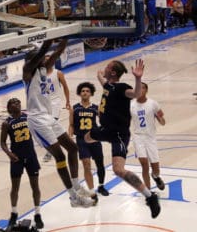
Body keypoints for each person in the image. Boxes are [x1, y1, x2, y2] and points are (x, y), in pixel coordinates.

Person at [23, 39, 95, 208]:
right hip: (37, 120)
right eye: (40, 57)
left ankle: (76, 184)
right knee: (60, 156)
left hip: (47, 116)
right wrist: (47, 39)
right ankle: (73, 197)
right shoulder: (27, 71)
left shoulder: (44, 69)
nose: (45, 59)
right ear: (34, 59)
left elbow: (56, 53)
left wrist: (63, 35)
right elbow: (43, 53)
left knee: (73, 148)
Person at [85, 59, 161, 218]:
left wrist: (138, 78)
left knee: (118, 169)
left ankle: (150, 197)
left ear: (112, 72)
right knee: (86, 138)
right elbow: (102, 79)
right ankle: (90, 156)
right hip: (104, 129)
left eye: (107, 67)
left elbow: (136, 93)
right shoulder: (108, 85)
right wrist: (100, 73)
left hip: (118, 133)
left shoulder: (121, 88)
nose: (104, 69)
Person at [0, 98, 44, 231]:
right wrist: (9, 154)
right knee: (15, 188)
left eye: (18, 102)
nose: (17, 104)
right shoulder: (7, 123)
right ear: (9, 107)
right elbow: (2, 143)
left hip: (31, 156)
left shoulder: (28, 117)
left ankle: (37, 213)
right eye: (13, 102)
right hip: (16, 159)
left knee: (35, 186)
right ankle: (14, 213)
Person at [69, 82, 109, 203]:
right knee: (86, 164)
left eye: (87, 91)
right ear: (79, 93)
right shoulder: (74, 108)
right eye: (83, 91)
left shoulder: (95, 108)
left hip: (94, 138)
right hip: (81, 140)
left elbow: (104, 121)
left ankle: (101, 185)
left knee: (100, 164)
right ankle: (92, 192)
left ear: (91, 93)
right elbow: (71, 125)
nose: (85, 93)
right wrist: (70, 135)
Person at [130, 82, 166, 190]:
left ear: (146, 90)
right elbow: (126, 120)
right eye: (138, 88)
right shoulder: (131, 104)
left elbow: (163, 122)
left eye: (143, 88)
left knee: (156, 168)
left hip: (150, 137)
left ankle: (155, 176)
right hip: (138, 137)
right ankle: (148, 192)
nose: (140, 90)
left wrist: (160, 118)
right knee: (144, 164)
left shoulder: (153, 104)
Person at [42, 54, 71, 162]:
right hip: (44, 103)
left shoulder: (58, 73)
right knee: (46, 127)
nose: (46, 62)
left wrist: (67, 101)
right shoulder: (40, 74)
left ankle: (50, 151)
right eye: (45, 60)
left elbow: (65, 87)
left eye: (48, 60)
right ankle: (53, 145)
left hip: (55, 103)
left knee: (51, 126)